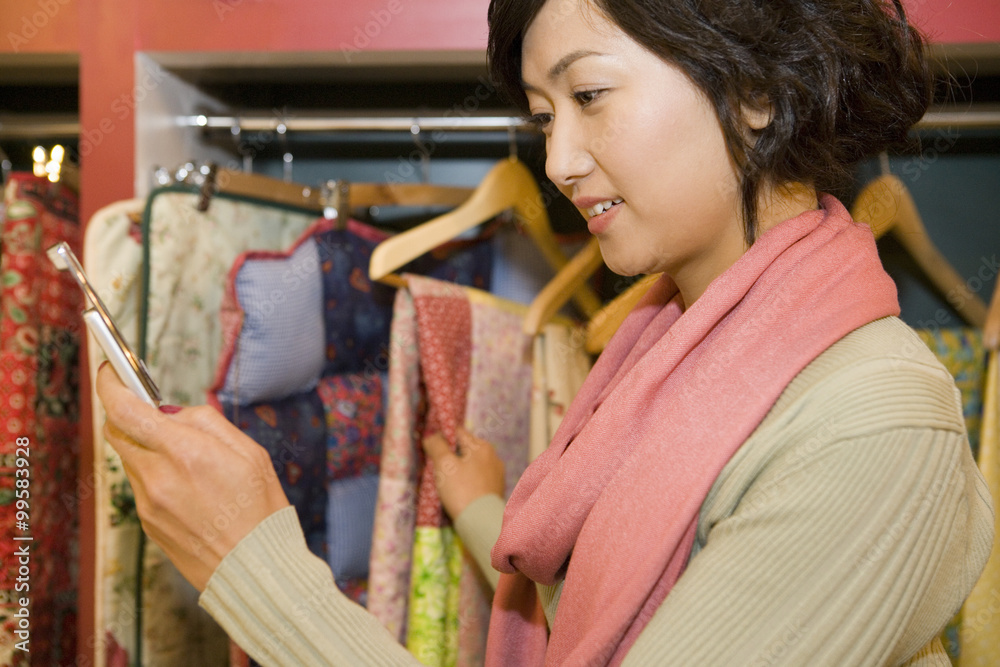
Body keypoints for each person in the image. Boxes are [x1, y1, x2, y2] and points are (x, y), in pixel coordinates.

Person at [97, 0, 994, 664]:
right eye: (542, 116)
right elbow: (619, 586)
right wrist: (484, 505)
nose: (558, 160)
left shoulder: (870, 416)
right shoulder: (671, 345)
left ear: (755, 91)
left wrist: (257, 570)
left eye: (590, 95)